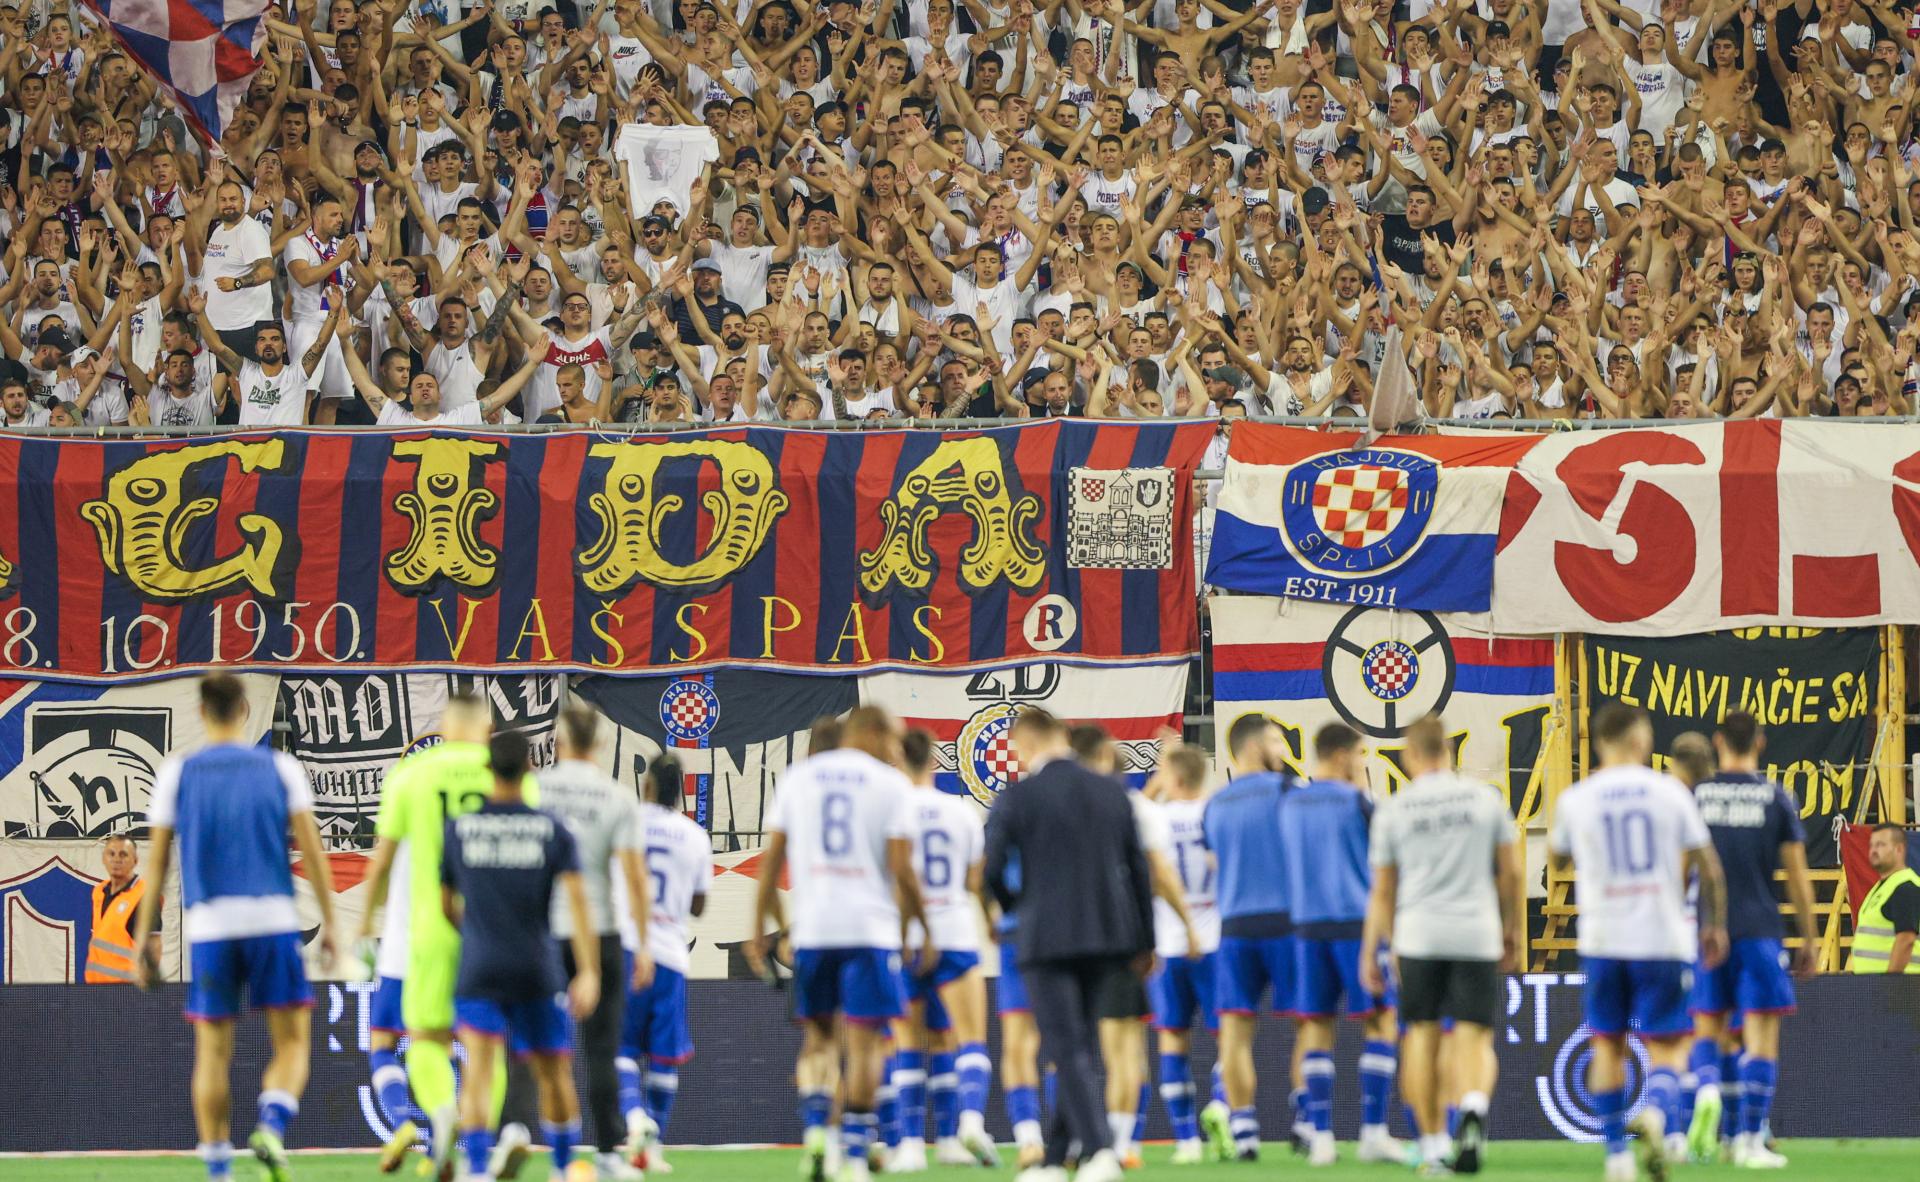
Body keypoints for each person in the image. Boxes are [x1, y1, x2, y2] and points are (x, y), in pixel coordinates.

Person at [130, 674, 336, 1182]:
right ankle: (271, 1121)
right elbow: (311, 849)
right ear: (244, 709)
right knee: (291, 1043)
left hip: (210, 925)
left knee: (213, 1054)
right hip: (272, 919)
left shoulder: (178, 773)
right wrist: (331, 922)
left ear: (201, 711)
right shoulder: (279, 767)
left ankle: (219, 1170)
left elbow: (156, 863)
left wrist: (142, 940)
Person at [748, 706, 929, 1182]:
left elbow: (771, 865)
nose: (896, 747)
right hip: (869, 930)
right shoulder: (890, 785)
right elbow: (903, 872)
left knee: (820, 1039)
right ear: (869, 733)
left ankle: (816, 1135)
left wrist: (762, 926)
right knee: (866, 1042)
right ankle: (852, 1153)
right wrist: (920, 928)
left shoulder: (799, 779)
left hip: (815, 930)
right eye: (892, 737)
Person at [1549, 704, 1728, 1182]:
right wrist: (1714, 926)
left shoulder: (1577, 798)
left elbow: (1558, 860)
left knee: (1607, 1043)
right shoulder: (1671, 793)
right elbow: (1707, 865)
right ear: (1638, 739)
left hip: (1605, 936)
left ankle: (1616, 1158)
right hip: (1662, 935)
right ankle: (1656, 1112)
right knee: (1669, 1046)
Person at [984, 708, 1153, 1182]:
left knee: (1066, 1045)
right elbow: (1138, 871)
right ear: (1063, 736)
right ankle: (1057, 1161)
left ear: (1023, 744)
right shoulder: (1112, 791)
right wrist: (1145, 942)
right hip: (1110, 937)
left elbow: (991, 869)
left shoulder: (1018, 796)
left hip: (1045, 938)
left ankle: (1100, 1153)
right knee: (1080, 1047)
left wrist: (1018, 905)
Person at [356, 694, 512, 1180]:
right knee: (485, 1046)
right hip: (491, 935)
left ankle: (440, 1110)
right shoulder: (504, 773)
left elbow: (381, 862)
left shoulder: (412, 777)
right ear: (487, 726)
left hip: (426, 935)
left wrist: (364, 924)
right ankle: (480, 1158)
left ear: (445, 725)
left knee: (423, 1039)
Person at [1360, 715, 1520, 1176]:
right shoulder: (1484, 799)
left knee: (1422, 1040)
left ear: (1410, 755)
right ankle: (1471, 1105)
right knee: (1474, 1037)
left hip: (1419, 936)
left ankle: (1432, 1146)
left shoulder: (1395, 808)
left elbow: (1383, 891)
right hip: (1476, 933)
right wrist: (1510, 929)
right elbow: (1509, 872)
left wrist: (1372, 948)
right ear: (1448, 751)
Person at [441, 731, 601, 1182]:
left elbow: (445, 904)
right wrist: (587, 970)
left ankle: (475, 1169)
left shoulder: (459, 829)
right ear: (530, 768)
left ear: (487, 770)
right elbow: (579, 904)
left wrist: (476, 931)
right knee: (554, 1072)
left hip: (480, 965)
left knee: (477, 1071)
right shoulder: (552, 830)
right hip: (536, 966)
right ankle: (565, 1168)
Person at [1682, 712, 1817, 1170]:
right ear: (1759, 742)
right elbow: (1796, 875)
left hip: (1707, 934)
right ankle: (1748, 1141)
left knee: (1709, 1029)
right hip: (1760, 931)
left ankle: (1704, 1092)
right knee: (1760, 1038)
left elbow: (1681, 871)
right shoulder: (1776, 798)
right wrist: (1810, 936)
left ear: (1718, 741)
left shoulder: (1697, 796)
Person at [536, 706, 653, 1181]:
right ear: (600, 745)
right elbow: (634, 876)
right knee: (602, 1049)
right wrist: (643, 943)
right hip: (600, 931)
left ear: (558, 742)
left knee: (537, 1045)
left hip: (542, 931)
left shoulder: (536, 790)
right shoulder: (617, 798)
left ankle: (522, 1138)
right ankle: (607, 1157)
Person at [1277, 723, 1402, 1168]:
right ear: (1346, 755)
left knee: (1315, 1026)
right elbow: (1386, 872)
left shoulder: (1289, 803)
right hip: (1355, 926)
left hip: (1307, 928)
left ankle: (1323, 1137)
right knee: (1382, 1020)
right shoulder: (1360, 802)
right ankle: (1372, 1131)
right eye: (1361, 754)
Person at [891, 727, 998, 1171]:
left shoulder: (891, 813)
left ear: (898, 763)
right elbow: (977, 881)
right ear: (933, 763)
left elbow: (891, 879)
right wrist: (991, 919)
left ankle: (913, 1145)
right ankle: (965, 1125)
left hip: (908, 938)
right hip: (954, 933)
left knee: (909, 1044)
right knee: (963, 1039)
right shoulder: (962, 812)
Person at [1202, 713, 1301, 1161]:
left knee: (1235, 1034)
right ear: (1255, 746)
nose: (1285, 752)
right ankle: (1308, 1120)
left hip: (1236, 926)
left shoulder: (1215, 804)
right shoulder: (1290, 793)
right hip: (1285, 922)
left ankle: (1244, 1131)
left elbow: (1214, 866)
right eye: (1278, 742)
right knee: (1310, 1025)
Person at [616, 754, 711, 1177]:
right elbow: (699, 904)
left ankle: (635, 1120)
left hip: (627, 948)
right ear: (682, 789)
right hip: (671, 954)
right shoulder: (694, 836)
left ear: (648, 785)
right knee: (664, 1057)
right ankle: (652, 1147)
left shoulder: (626, 822)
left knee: (621, 1049)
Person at [1142, 743, 1222, 1167]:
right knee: (1230, 1039)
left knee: (1172, 1041)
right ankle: (1224, 1107)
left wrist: (1157, 780)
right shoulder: (1215, 812)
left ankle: (1187, 1140)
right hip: (1214, 940)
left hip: (1169, 943)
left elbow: (1136, 807)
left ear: (1173, 778)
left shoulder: (1154, 817)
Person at [86, 833, 160, 985]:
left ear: (135, 860)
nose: (116, 859)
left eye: (123, 854)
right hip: (95, 989)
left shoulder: (144, 895)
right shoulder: (99, 892)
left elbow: (154, 944)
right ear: (103, 859)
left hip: (127, 990)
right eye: (111, 854)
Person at [1850, 824, 1920, 976]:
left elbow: (1906, 940)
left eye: (1881, 845)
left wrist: (1889, 984)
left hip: (1898, 990)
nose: (1874, 850)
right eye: (1872, 845)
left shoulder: (1905, 887)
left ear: (1899, 849)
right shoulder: (1883, 887)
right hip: (1876, 988)